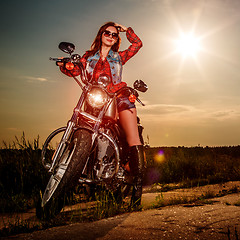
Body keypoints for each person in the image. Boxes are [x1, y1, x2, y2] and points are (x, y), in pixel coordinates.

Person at [58, 22, 144, 208]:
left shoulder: (119, 57)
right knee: (77, 124)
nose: (110, 36)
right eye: (107, 33)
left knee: (133, 138)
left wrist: (126, 30)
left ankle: (137, 188)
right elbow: (77, 69)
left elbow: (137, 45)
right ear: (101, 34)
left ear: (116, 40)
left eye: (114, 35)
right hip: (94, 99)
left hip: (117, 97)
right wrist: (66, 65)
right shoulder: (88, 57)